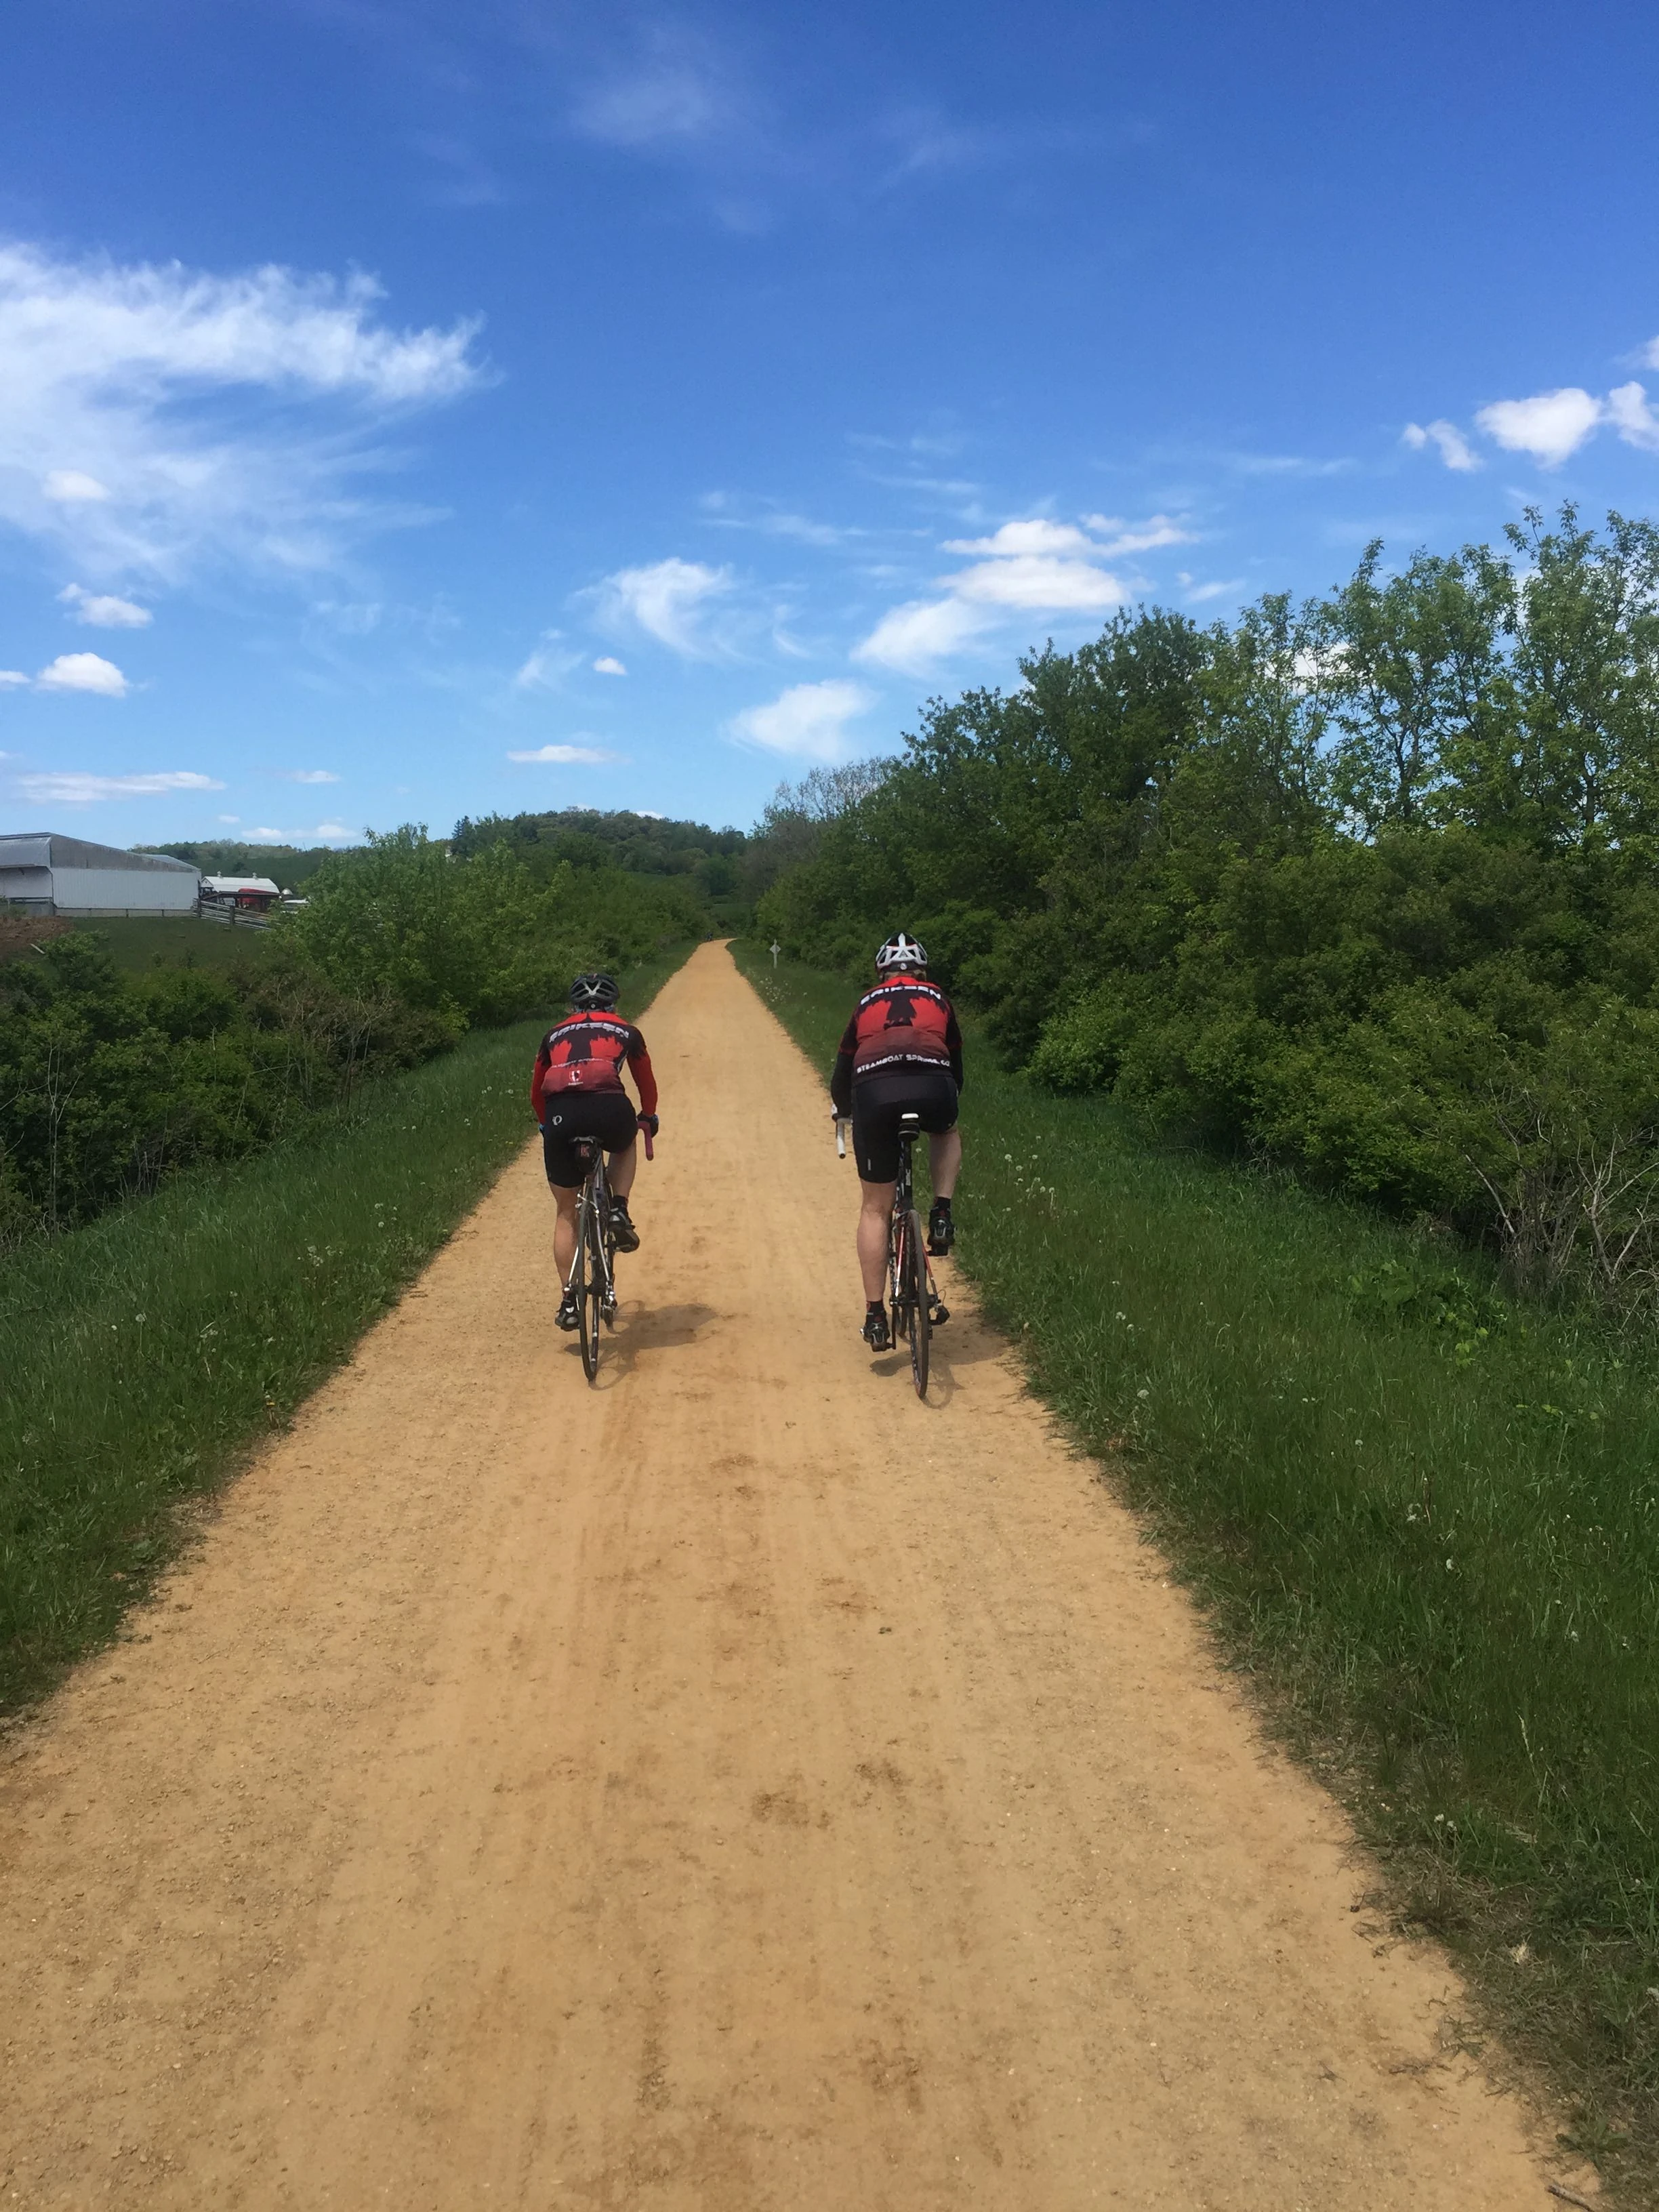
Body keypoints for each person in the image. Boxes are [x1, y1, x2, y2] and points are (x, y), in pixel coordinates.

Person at [830, 930, 963, 1351]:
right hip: (932, 1084)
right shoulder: (940, 998)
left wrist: (843, 1109)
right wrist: (945, 1097)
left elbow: (842, 1071)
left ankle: (874, 1315)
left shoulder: (864, 1003)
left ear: (881, 973)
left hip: (875, 1091)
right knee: (947, 1128)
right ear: (922, 971)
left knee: (875, 1208)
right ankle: (941, 1212)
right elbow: (956, 1067)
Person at [532, 972, 659, 1332]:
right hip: (609, 1109)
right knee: (626, 1139)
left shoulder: (552, 1034)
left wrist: (548, 1126)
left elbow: (536, 1093)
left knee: (565, 1213)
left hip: (561, 1116)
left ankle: (569, 1300)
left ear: (572, 1007)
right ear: (613, 1004)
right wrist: (647, 1117)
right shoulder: (627, 1031)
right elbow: (646, 1084)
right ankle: (618, 1209)